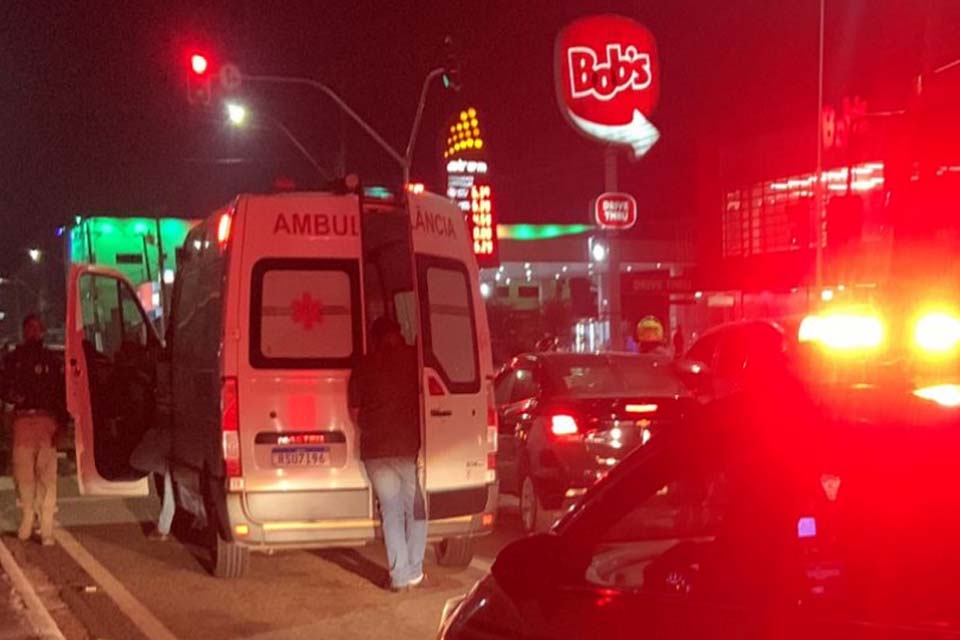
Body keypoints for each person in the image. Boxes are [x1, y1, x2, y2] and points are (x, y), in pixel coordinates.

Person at [348, 316, 426, 592]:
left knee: (391, 513)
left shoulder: (364, 365)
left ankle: (399, 576)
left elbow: (355, 412)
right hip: (407, 450)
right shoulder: (414, 361)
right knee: (415, 511)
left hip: (376, 452)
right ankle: (414, 570)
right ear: (399, 332)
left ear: (375, 338)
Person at [1, 315, 65, 546]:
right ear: (23, 331)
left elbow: (61, 394)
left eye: (37, 328)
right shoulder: (13, 359)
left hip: (47, 422)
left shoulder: (52, 360)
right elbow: (4, 388)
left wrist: (62, 424)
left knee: (47, 478)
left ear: (43, 332)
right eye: (29, 328)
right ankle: (28, 516)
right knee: (24, 476)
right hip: (23, 421)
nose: (33, 332)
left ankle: (46, 527)